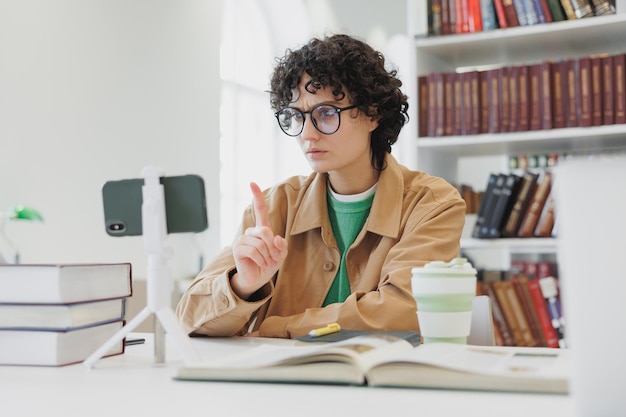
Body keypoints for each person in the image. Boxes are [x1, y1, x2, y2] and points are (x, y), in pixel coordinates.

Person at [175, 34, 466, 339]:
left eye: (326, 113)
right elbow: (187, 317)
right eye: (296, 116)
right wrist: (242, 286)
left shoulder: (432, 203)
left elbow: (403, 310)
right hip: (284, 385)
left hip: (387, 382)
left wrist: (277, 328)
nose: (308, 134)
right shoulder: (275, 207)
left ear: (373, 113)